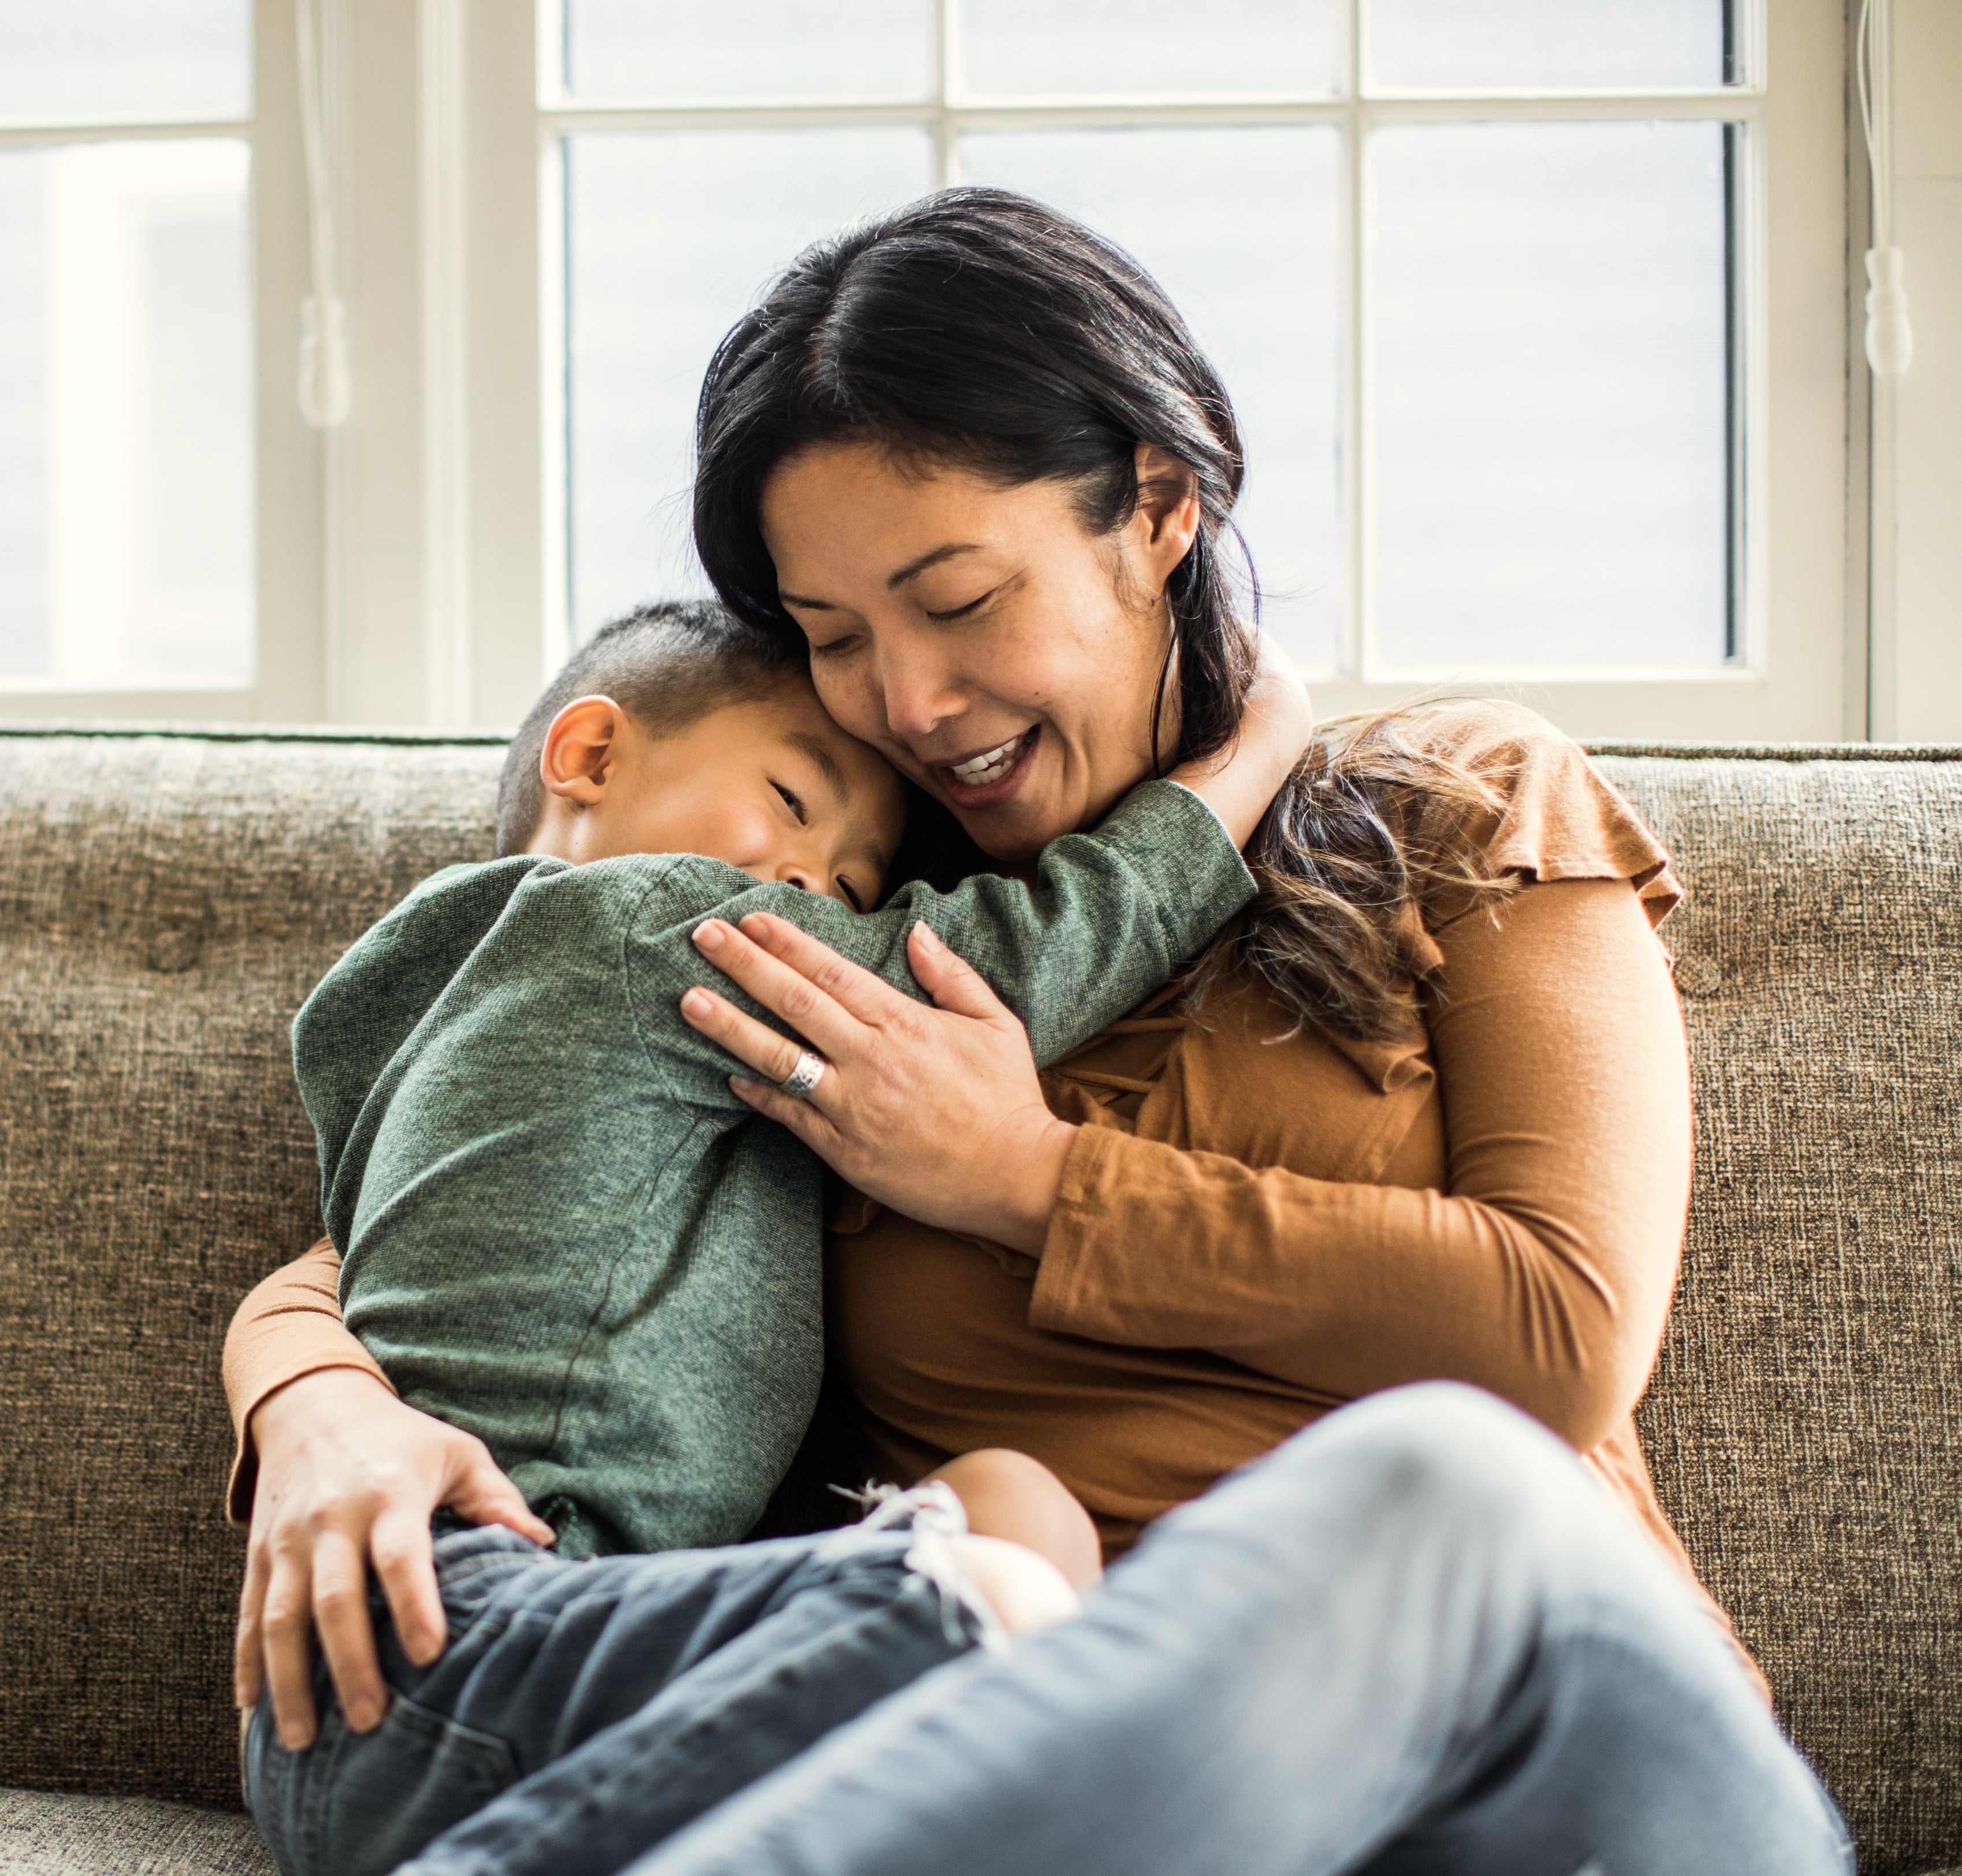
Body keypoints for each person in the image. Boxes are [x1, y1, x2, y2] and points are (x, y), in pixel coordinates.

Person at [227, 186, 1846, 1868]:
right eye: (838, 639)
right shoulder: (860, 927)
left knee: (1444, 1476)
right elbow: (450, 1191)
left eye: (957, 598)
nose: (908, 703)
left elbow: (1562, 1332)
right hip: (1079, 1811)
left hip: (1551, 1767)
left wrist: (1023, 1176)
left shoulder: (1459, 798)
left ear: (1158, 504)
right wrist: (318, 1406)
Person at [296, 595, 1298, 1565]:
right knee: (1013, 1523)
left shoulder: (399, 1000)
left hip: (455, 1584)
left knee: (1005, 1523)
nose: (815, 883)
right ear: (590, 754)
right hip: (528, 1566)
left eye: (856, 887)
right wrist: (1248, 756)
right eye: (790, 801)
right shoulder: (649, 921)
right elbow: (1007, 965)